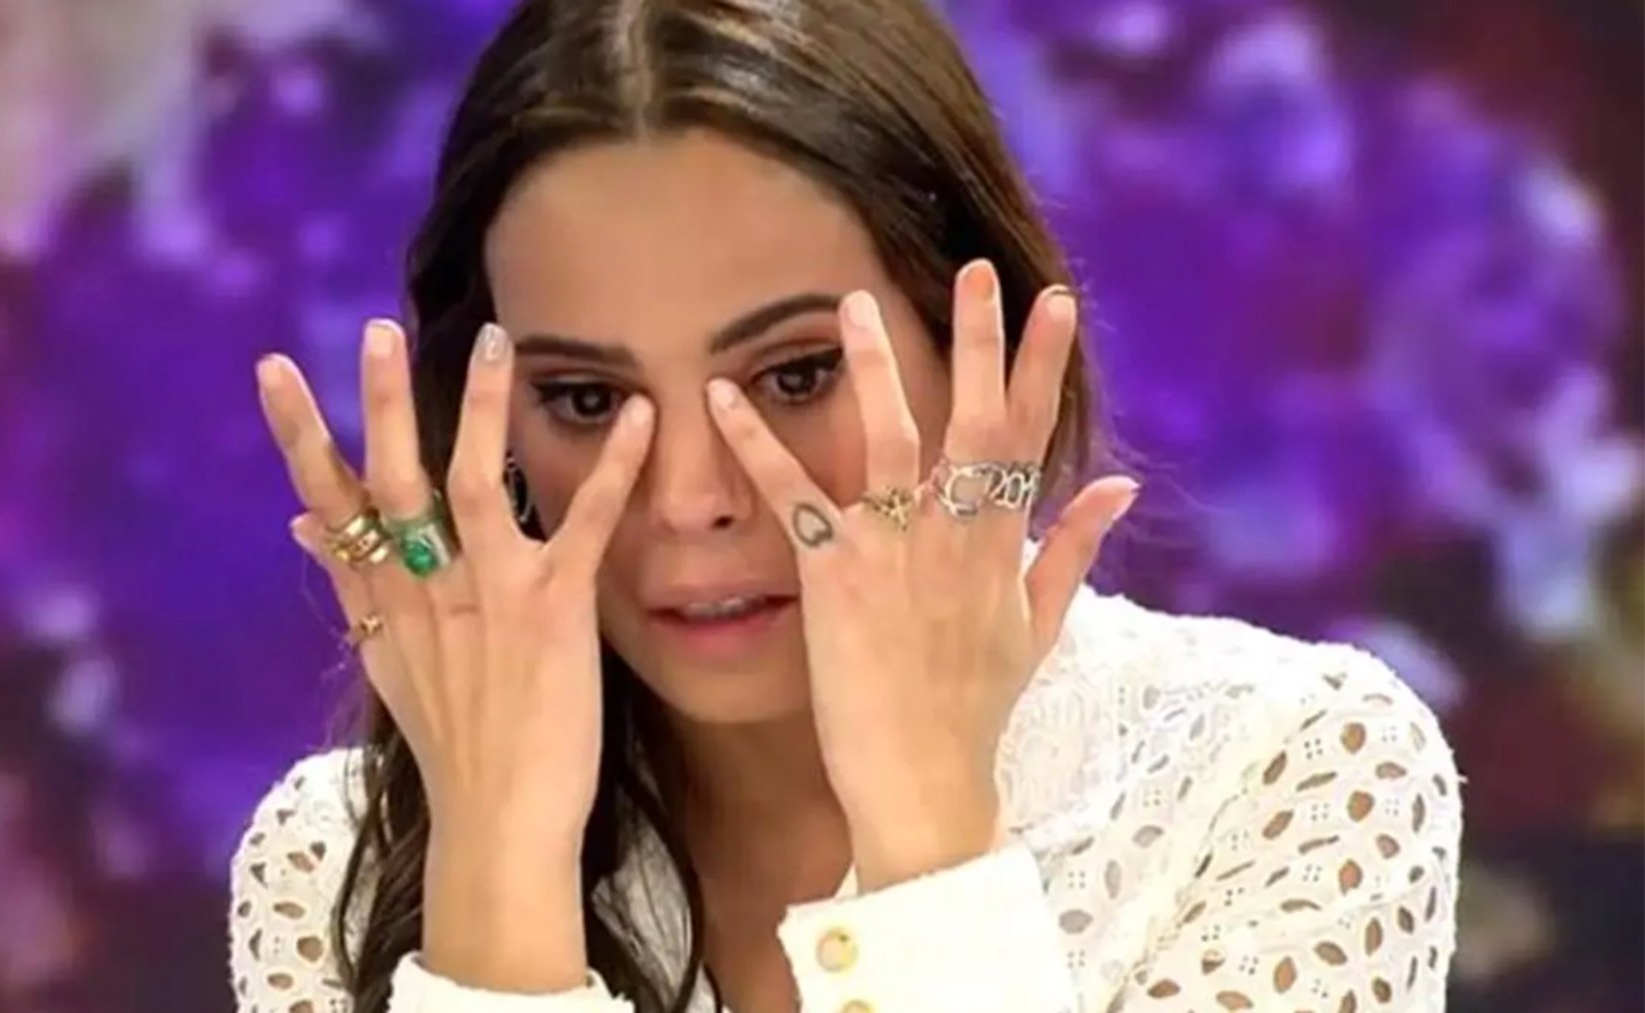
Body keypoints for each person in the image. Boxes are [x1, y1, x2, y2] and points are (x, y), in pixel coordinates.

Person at [230, 1, 1462, 1010]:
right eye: (587, 399)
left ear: (980, 344)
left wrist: (929, 840)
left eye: (796, 376)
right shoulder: (329, 865)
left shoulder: (1290, 771)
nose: (692, 499)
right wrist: (499, 888)